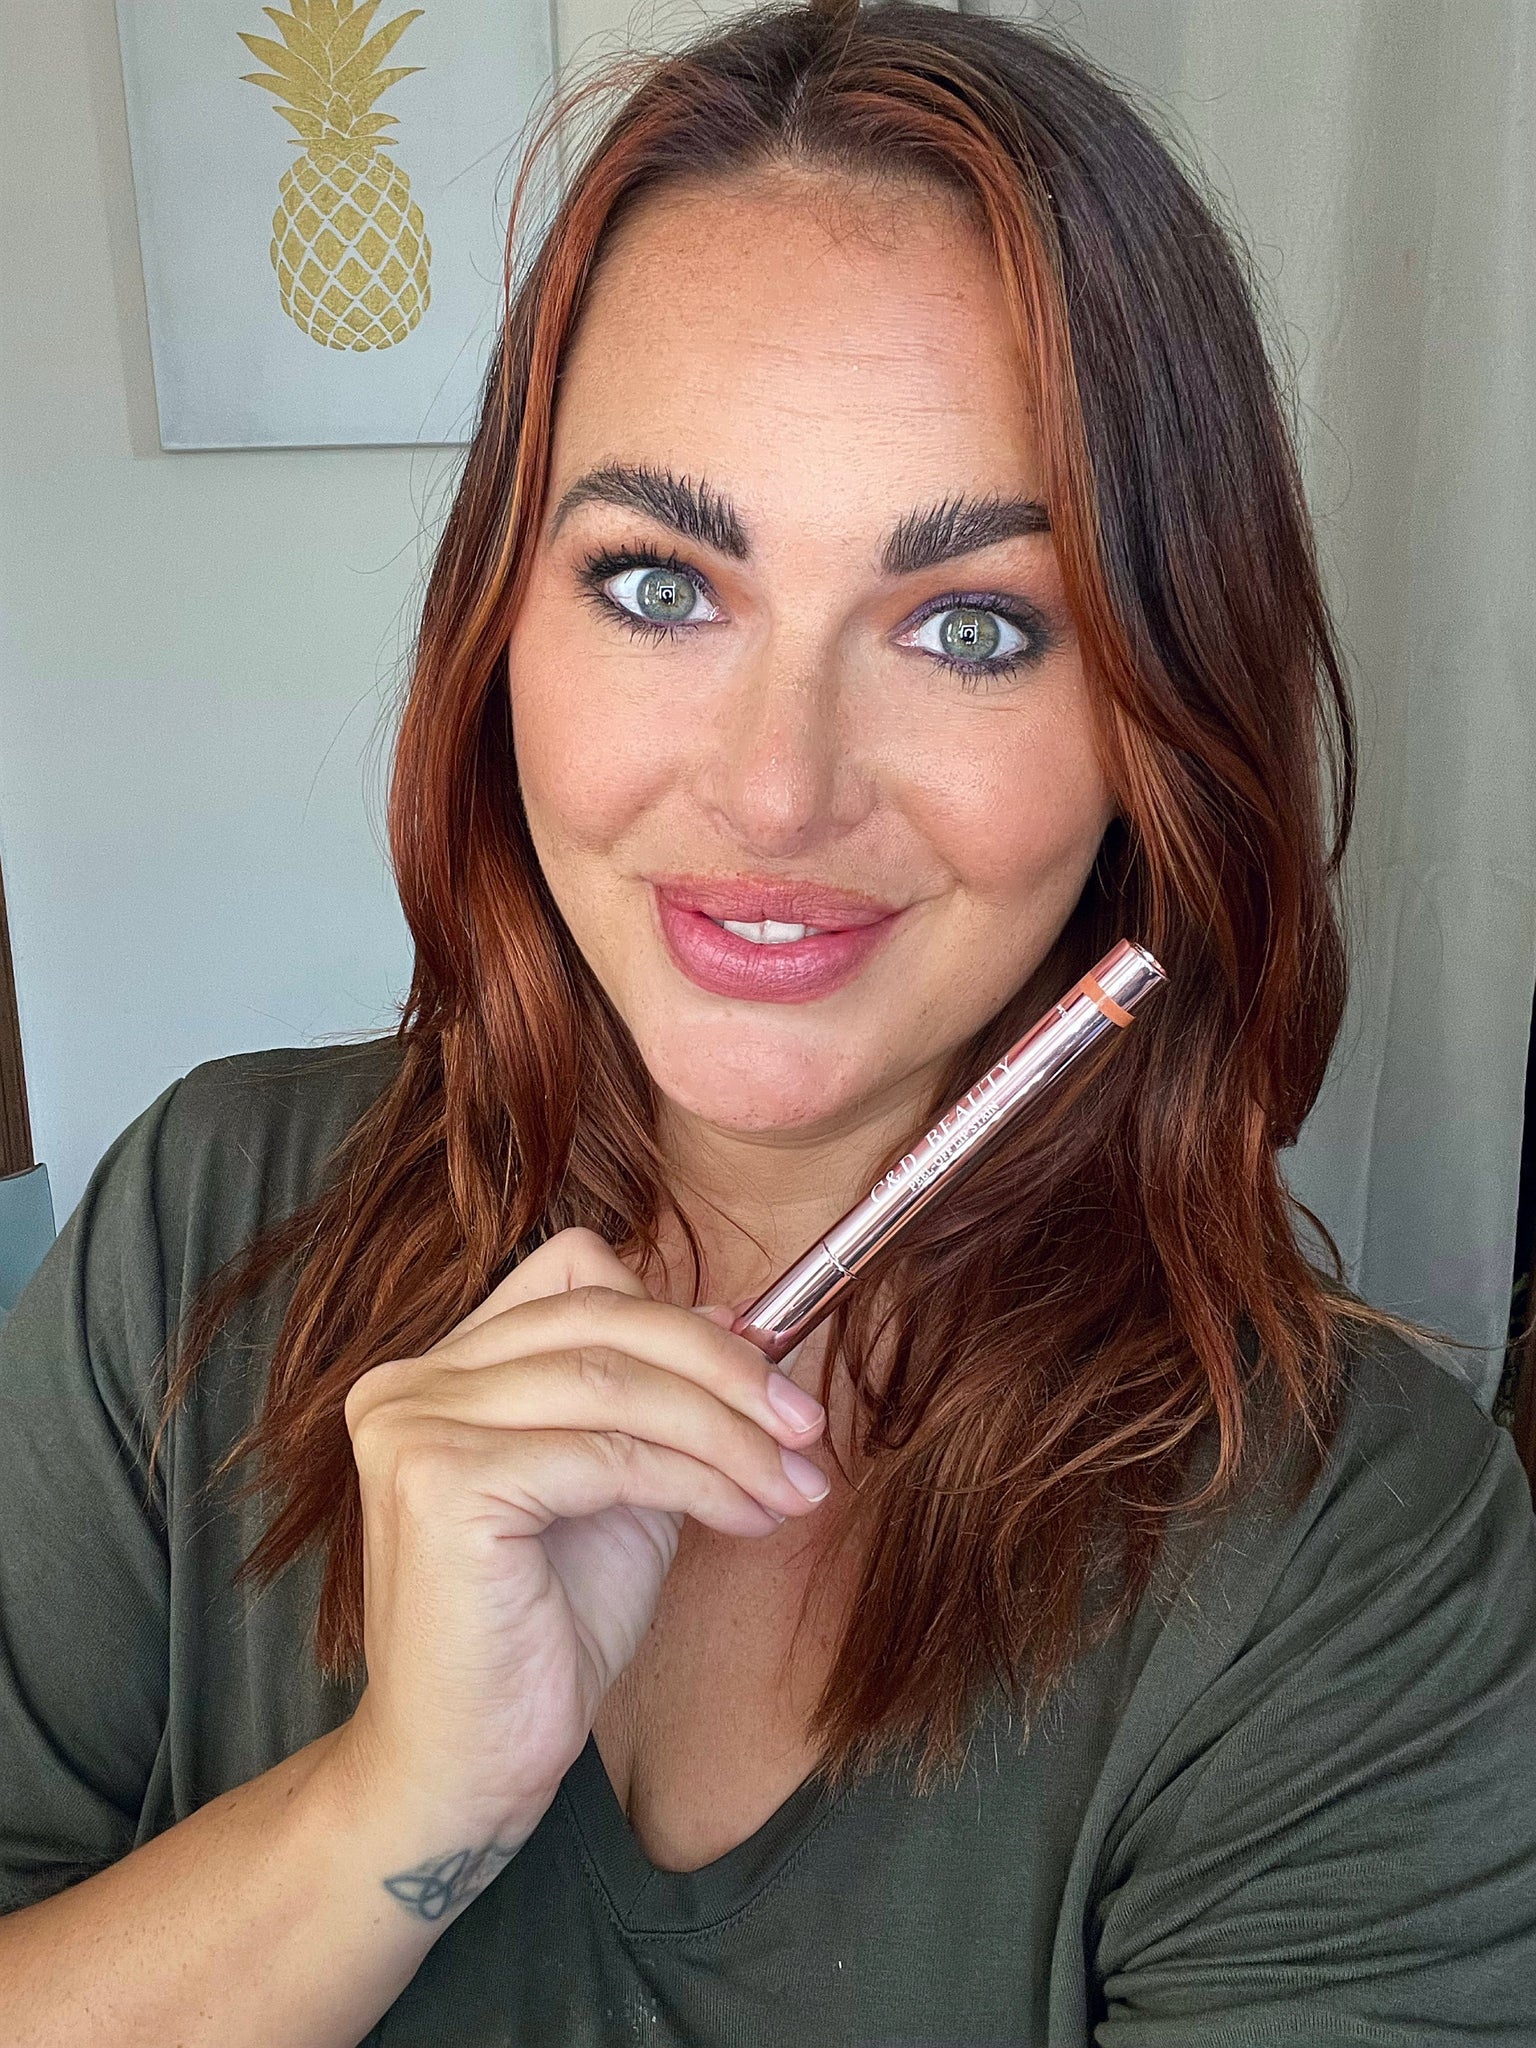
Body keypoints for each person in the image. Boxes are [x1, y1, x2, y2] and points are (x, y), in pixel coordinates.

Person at [2, 1, 1533, 2041]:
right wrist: (391, 1808)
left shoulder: (1358, 1547)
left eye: (972, 625)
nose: (777, 790)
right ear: (497, 627)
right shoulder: (203, 1228)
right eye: (660, 585)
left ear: (1154, 725)